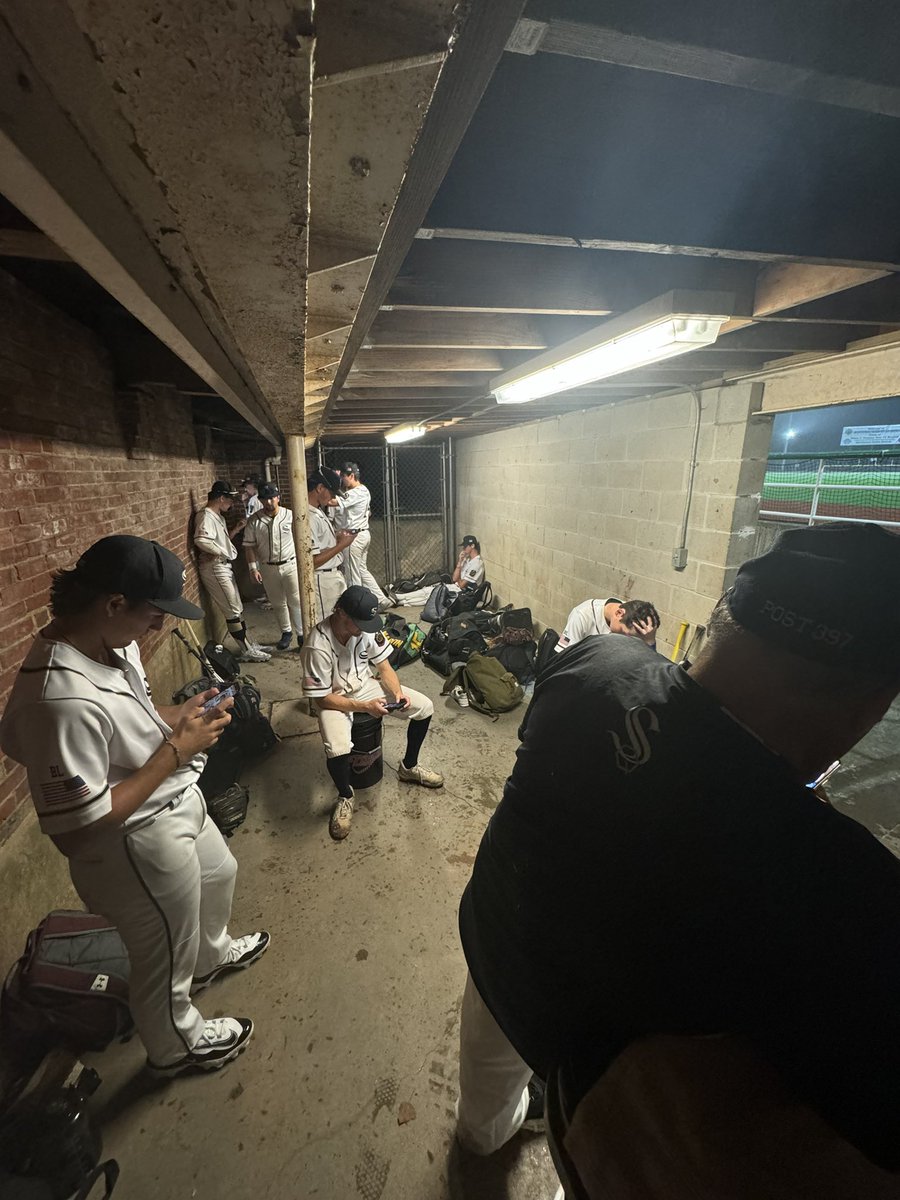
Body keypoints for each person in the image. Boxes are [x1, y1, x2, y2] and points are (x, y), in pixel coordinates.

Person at [455, 523, 900, 1173]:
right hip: (599, 1085)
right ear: (869, 705)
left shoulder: (594, 663)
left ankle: (478, 1140)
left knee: (482, 1114)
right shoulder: (844, 887)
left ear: (721, 622)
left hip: (495, 935)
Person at [0, 536, 270, 1077]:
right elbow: (76, 833)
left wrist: (182, 714)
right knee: (164, 954)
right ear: (114, 603)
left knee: (220, 873)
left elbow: (135, 715)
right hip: (131, 843)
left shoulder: (110, 643)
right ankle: (176, 1045)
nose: (159, 624)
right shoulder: (58, 699)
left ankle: (210, 957)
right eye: (153, 612)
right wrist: (178, 751)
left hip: (173, 800)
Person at [301, 585, 443, 840]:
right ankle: (345, 796)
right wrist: (365, 707)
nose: (365, 628)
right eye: (359, 622)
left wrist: (397, 693)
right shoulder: (317, 645)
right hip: (334, 698)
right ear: (341, 613)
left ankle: (409, 767)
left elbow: (384, 667)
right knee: (337, 747)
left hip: (364, 686)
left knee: (424, 707)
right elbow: (321, 699)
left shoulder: (366, 628)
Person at [193, 480, 270, 663]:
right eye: (229, 499)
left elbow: (221, 539)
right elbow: (201, 540)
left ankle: (249, 645)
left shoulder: (216, 515)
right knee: (232, 611)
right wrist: (217, 552)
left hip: (223, 565)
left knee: (237, 608)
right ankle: (246, 650)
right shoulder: (205, 515)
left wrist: (235, 529)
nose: (231, 503)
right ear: (221, 498)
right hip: (215, 567)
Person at [243, 482, 303, 652]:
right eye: (265, 499)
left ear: (278, 498)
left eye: (272, 498)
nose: (269, 502)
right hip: (267, 566)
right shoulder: (254, 520)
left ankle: (302, 634)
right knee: (278, 602)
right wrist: (253, 568)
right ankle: (286, 632)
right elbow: (249, 546)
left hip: (290, 563)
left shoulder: (290, 516)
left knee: (296, 600)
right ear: (260, 500)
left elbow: (301, 538)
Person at [334, 462, 390, 609]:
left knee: (352, 575)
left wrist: (332, 483)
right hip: (363, 534)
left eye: (343, 477)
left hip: (354, 537)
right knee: (361, 570)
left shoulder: (356, 492)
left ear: (352, 475)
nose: (342, 480)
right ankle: (381, 600)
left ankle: (357, 608)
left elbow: (333, 502)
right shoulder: (364, 490)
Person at [308, 468, 356, 623]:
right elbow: (312, 562)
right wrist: (342, 545)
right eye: (331, 492)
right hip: (322, 579)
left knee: (337, 623)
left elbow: (320, 544)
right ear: (320, 488)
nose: (333, 498)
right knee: (326, 625)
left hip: (330, 576)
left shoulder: (317, 510)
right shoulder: (307, 516)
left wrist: (336, 537)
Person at [556, 597, 660, 653]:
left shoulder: (634, 616)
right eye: (625, 634)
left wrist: (650, 642)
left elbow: (648, 670)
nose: (626, 640)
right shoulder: (582, 615)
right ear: (618, 613)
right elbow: (562, 657)